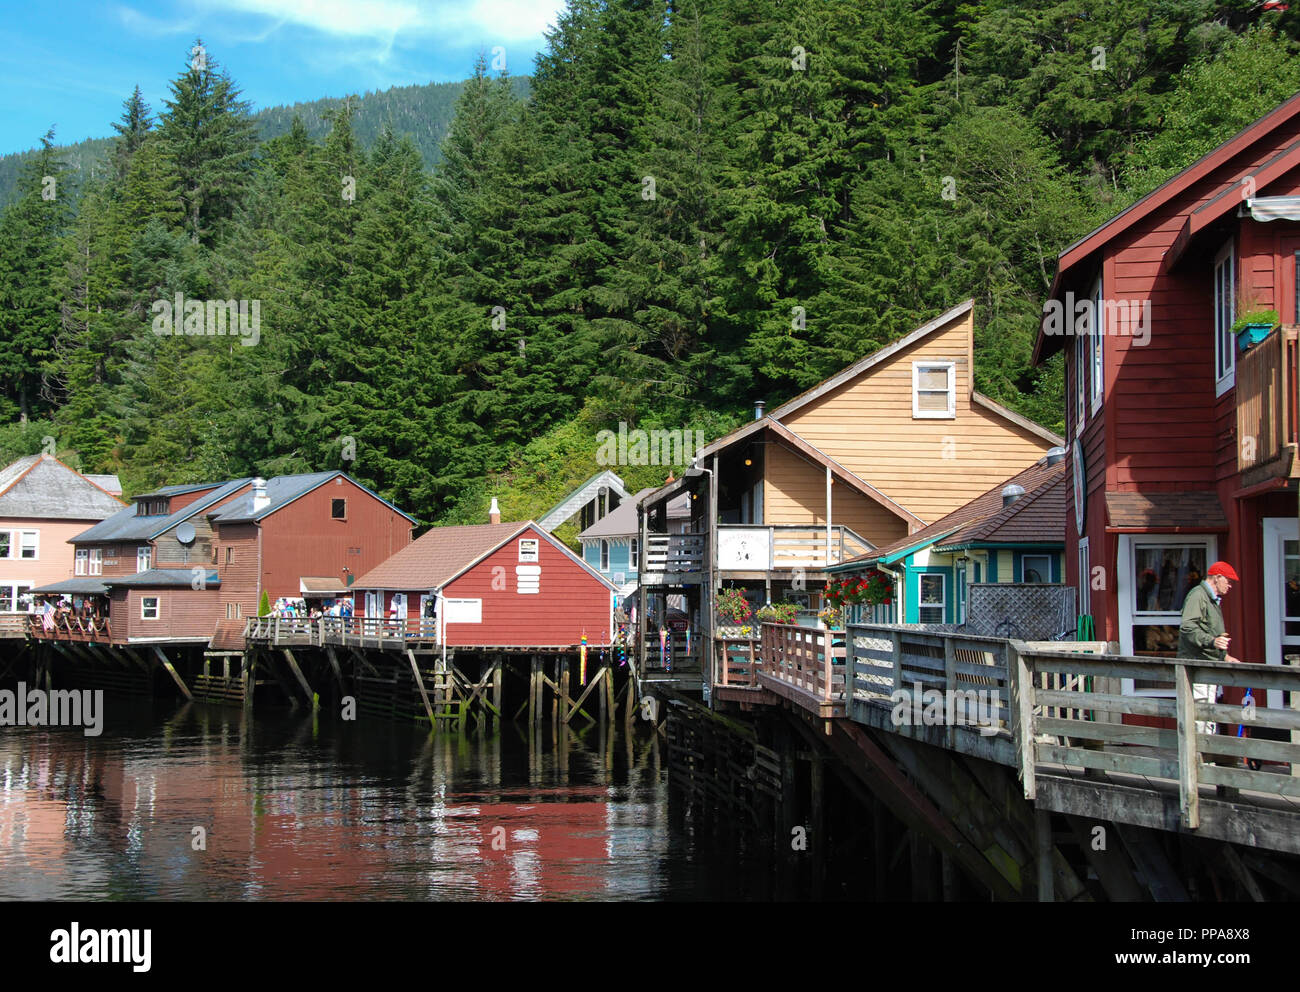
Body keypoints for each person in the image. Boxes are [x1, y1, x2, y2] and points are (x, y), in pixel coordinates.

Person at [1178, 561, 1239, 756]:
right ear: (1217, 577)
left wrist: (1225, 656)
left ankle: (1205, 759)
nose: (1229, 586)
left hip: (1208, 665)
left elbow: (1209, 630)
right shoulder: (1198, 596)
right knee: (1200, 715)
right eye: (1228, 581)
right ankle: (1198, 759)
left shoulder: (1211, 599)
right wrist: (1213, 642)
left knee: (1208, 714)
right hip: (1197, 666)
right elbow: (1188, 627)